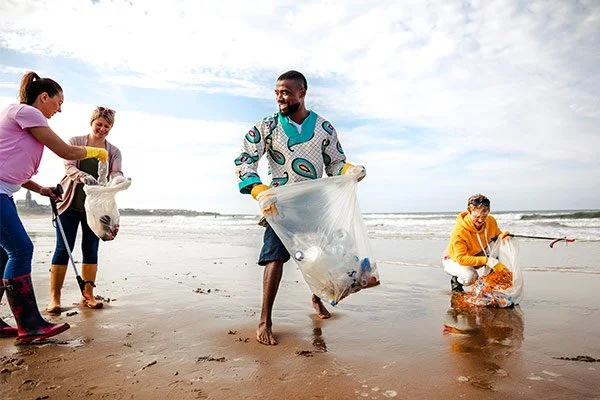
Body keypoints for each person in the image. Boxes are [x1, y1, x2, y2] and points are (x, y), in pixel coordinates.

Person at [234, 70, 366, 345]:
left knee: (317, 256)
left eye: (286, 92)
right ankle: (264, 320)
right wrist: (259, 191)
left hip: (314, 205)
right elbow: (245, 160)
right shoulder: (266, 126)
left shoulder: (323, 128)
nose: (280, 98)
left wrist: (351, 169)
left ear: (302, 93)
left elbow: (334, 164)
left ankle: (317, 300)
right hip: (278, 205)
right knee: (274, 258)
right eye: (277, 92)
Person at [0, 71, 108, 342]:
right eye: (58, 102)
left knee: (4, 255)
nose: (59, 109)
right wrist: (97, 152)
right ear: (44, 97)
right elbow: (66, 151)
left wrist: (40, 189)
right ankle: (30, 324)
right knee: (21, 249)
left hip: (6, 191)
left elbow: (13, 169)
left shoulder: (22, 116)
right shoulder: (28, 112)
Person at [46, 106, 124, 313]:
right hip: (69, 203)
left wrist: (119, 180)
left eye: (107, 126)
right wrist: (82, 176)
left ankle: (87, 295)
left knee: (90, 249)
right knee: (64, 249)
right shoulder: (75, 142)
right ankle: (55, 297)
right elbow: (69, 166)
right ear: (91, 123)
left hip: (95, 210)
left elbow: (116, 172)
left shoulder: (113, 151)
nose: (102, 129)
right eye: (99, 124)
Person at [442, 194, 510, 293]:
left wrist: (503, 236)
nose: (480, 220)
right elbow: (461, 258)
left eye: (484, 216)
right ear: (469, 211)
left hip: (477, 254)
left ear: (488, 211)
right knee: (471, 277)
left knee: (498, 244)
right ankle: (456, 281)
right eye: (476, 216)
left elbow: (497, 236)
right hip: (454, 260)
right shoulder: (459, 231)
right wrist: (488, 261)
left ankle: (489, 282)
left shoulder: (490, 220)